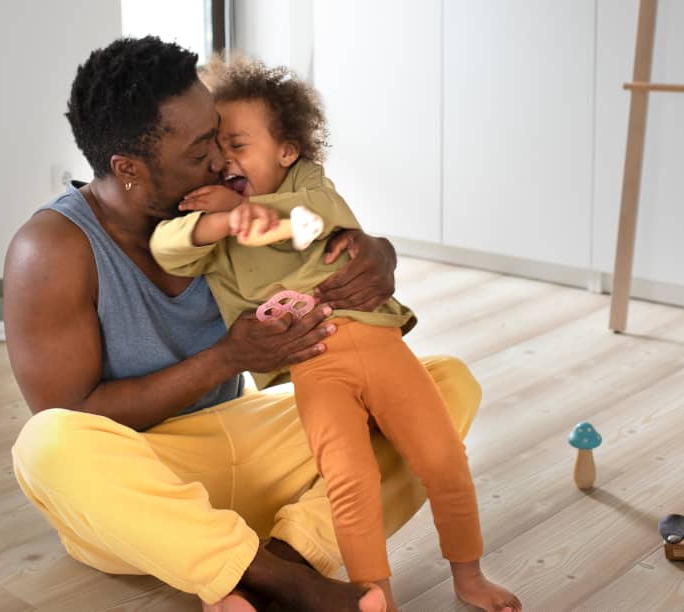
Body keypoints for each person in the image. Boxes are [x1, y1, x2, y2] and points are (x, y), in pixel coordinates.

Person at [5, 36, 485, 612]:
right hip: (144, 495)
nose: (220, 158)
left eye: (218, 132)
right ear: (128, 169)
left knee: (447, 381)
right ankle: (284, 582)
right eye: (200, 147)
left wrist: (378, 251)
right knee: (47, 443)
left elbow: (314, 235)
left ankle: (283, 556)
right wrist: (228, 358)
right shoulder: (52, 248)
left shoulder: (231, 205)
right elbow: (77, 414)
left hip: (246, 442)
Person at [149, 56, 522, 612]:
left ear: (287, 151)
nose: (226, 160)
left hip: (376, 341)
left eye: (239, 144)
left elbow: (313, 220)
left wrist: (250, 212)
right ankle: (377, 597)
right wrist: (225, 219)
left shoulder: (311, 187)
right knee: (349, 480)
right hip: (312, 365)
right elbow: (167, 247)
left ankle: (469, 578)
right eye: (217, 149)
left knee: (443, 459)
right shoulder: (215, 217)